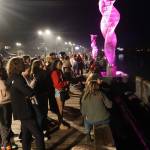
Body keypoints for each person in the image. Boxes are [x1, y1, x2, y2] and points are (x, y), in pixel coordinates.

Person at [6, 57, 45, 150]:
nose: (25, 64)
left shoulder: (12, 77)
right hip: (24, 111)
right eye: (22, 63)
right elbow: (29, 92)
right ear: (18, 66)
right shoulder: (18, 78)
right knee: (39, 135)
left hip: (20, 110)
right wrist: (30, 91)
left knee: (26, 135)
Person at [50, 60, 70, 130]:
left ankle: (61, 122)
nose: (61, 65)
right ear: (55, 65)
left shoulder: (59, 71)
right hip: (58, 92)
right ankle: (61, 124)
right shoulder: (55, 72)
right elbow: (57, 84)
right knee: (60, 109)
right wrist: (66, 83)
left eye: (61, 64)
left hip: (61, 91)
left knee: (61, 108)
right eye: (59, 64)